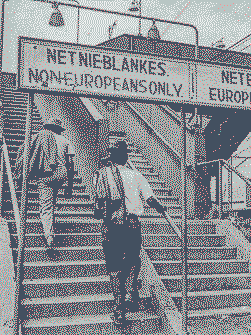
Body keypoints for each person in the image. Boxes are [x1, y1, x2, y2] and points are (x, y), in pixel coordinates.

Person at [93, 139, 167, 329]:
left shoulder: (103, 175)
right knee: (133, 259)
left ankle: (119, 308)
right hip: (132, 224)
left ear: (111, 157)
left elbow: (97, 206)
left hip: (111, 224)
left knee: (114, 265)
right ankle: (131, 290)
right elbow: (151, 199)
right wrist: (162, 208)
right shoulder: (136, 175)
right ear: (126, 157)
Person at [15, 118, 75, 255]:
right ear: (59, 129)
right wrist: (69, 186)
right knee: (52, 201)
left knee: (46, 206)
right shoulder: (64, 140)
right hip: (61, 173)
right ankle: (51, 225)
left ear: (47, 127)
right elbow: (71, 164)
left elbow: (25, 153)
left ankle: (49, 236)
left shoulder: (37, 137)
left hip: (45, 174)